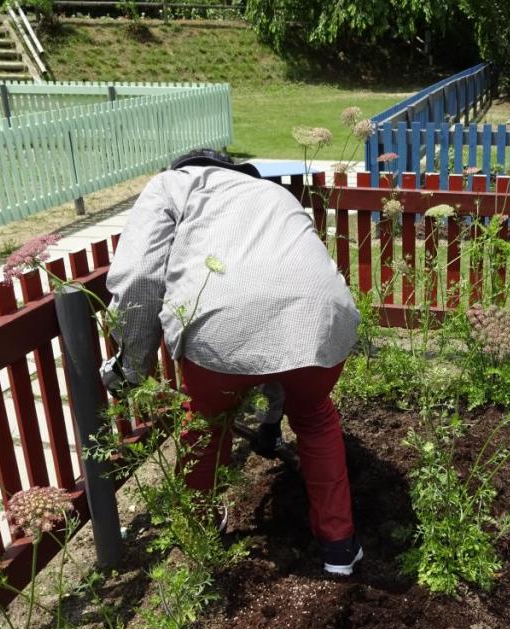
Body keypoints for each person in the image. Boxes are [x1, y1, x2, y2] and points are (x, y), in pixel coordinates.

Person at [103, 148, 363, 576]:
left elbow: (138, 277)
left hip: (218, 326)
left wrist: (132, 365)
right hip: (319, 318)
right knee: (315, 417)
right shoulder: (274, 193)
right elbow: (279, 338)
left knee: (206, 420)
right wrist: (269, 424)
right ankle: (340, 550)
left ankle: (201, 531)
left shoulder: (172, 184)